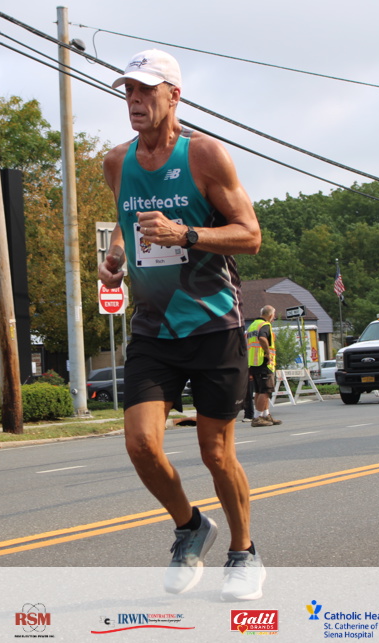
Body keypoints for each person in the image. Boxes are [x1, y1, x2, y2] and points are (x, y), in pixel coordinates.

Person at [99, 48, 264, 601]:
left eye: (146, 90)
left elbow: (250, 235)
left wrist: (187, 235)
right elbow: (126, 221)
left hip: (214, 324)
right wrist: (115, 255)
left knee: (216, 452)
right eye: (128, 91)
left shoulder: (205, 156)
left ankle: (244, 551)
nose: (135, 100)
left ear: (174, 96)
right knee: (141, 444)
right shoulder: (116, 162)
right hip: (153, 328)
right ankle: (191, 527)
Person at [246, 306, 282, 427]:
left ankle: (265, 415)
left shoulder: (252, 325)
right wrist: (267, 353)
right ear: (270, 315)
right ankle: (258, 417)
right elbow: (262, 338)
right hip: (263, 362)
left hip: (253, 362)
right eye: (274, 315)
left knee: (259, 391)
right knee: (265, 391)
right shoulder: (265, 325)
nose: (274, 318)